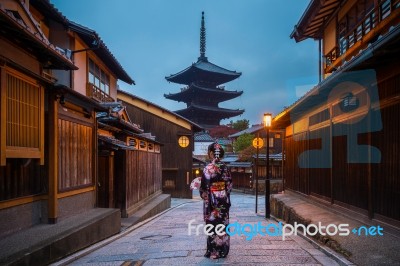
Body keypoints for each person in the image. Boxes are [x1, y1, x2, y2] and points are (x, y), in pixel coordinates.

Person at [199, 142, 233, 259]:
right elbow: (229, 186)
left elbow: (203, 188)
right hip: (222, 200)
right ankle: (223, 250)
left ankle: (212, 250)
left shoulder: (207, 168)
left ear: (212, 153)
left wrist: (205, 194)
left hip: (211, 202)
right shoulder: (226, 167)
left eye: (209, 152)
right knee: (222, 224)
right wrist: (222, 194)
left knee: (211, 225)